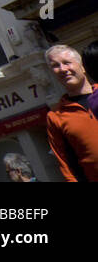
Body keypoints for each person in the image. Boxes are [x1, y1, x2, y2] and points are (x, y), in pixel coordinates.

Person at [44, 43, 98, 181]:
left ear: (82, 67)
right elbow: (65, 165)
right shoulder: (56, 117)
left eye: (66, 62)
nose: (62, 69)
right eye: (55, 66)